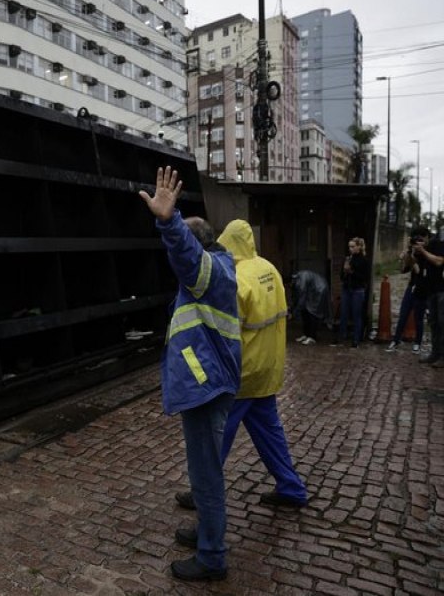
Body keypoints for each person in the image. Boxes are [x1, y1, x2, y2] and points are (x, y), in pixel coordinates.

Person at [137, 167, 241, 582]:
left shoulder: (209, 272)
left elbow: (185, 255)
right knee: (205, 466)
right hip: (209, 381)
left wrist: (169, 221)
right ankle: (205, 534)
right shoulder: (214, 274)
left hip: (205, 386)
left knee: (206, 474)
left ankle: (212, 556)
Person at [173, 220, 307, 519]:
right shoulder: (269, 269)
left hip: (242, 374)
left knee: (213, 442)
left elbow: (225, 332)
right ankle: (291, 487)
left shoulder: (234, 278)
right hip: (268, 370)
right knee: (270, 433)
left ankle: (201, 495)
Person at [385, 227, 430, 353]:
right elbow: (403, 270)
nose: (417, 245)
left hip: (422, 289)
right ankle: (395, 340)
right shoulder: (412, 253)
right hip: (411, 287)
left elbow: (419, 271)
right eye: (415, 242)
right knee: (403, 315)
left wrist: (415, 257)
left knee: (418, 318)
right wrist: (404, 257)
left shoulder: (426, 255)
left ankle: (417, 343)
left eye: (419, 241)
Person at [413, 230, 444, 365]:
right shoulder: (424, 249)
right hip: (431, 290)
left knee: (443, 323)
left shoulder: (438, 244)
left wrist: (423, 251)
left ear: (427, 237)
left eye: (421, 238)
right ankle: (434, 353)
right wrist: (411, 252)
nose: (420, 241)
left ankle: (442, 357)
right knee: (433, 323)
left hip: (442, 290)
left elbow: (439, 261)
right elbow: (413, 266)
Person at [337, 237, 369, 348]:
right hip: (347, 288)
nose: (350, 249)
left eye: (353, 246)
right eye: (349, 247)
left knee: (357, 315)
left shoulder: (363, 260)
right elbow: (341, 277)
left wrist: (351, 271)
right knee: (344, 313)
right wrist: (345, 271)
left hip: (357, 290)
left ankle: (356, 339)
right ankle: (342, 336)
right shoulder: (348, 259)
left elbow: (364, 278)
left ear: (359, 247)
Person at [290, 270, 333, 345]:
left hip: (319, 290)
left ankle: (312, 337)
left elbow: (302, 297)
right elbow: (298, 297)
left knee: (312, 313)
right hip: (313, 290)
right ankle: (306, 334)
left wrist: (294, 312)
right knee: (305, 311)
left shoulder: (301, 280)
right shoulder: (298, 278)